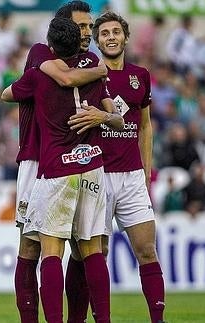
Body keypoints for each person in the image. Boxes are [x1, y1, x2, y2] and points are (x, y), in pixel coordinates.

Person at [2, 17, 124, 323]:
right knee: (92, 249)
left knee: (51, 251)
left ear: (51, 45)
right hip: (93, 166)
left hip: (56, 169)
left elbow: (6, 94)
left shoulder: (40, 74)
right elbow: (118, 118)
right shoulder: (94, 71)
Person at [65, 11, 167, 323]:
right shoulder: (87, 76)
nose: (111, 37)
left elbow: (145, 127)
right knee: (90, 256)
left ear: (125, 37)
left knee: (147, 251)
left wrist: (146, 173)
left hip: (132, 176)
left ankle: (158, 319)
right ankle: (78, 318)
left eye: (115, 32)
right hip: (96, 174)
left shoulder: (141, 76)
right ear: (96, 41)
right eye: (104, 33)